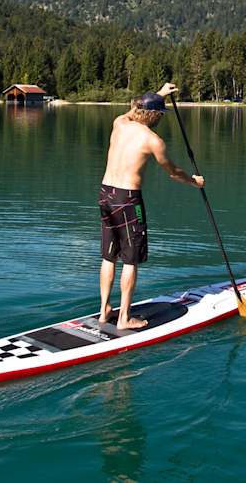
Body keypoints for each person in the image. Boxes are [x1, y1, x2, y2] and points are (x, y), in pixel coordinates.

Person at [99, 82, 203, 329]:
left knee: (109, 256)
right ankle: (124, 318)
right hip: (127, 199)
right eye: (160, 114)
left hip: (105, 193)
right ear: (155, 115)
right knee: (130, 259)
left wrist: (159, 93)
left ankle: (104, 310)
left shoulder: (119, 122)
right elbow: (174, 172)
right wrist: (194, 181)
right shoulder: (153, 140)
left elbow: (134, 108)